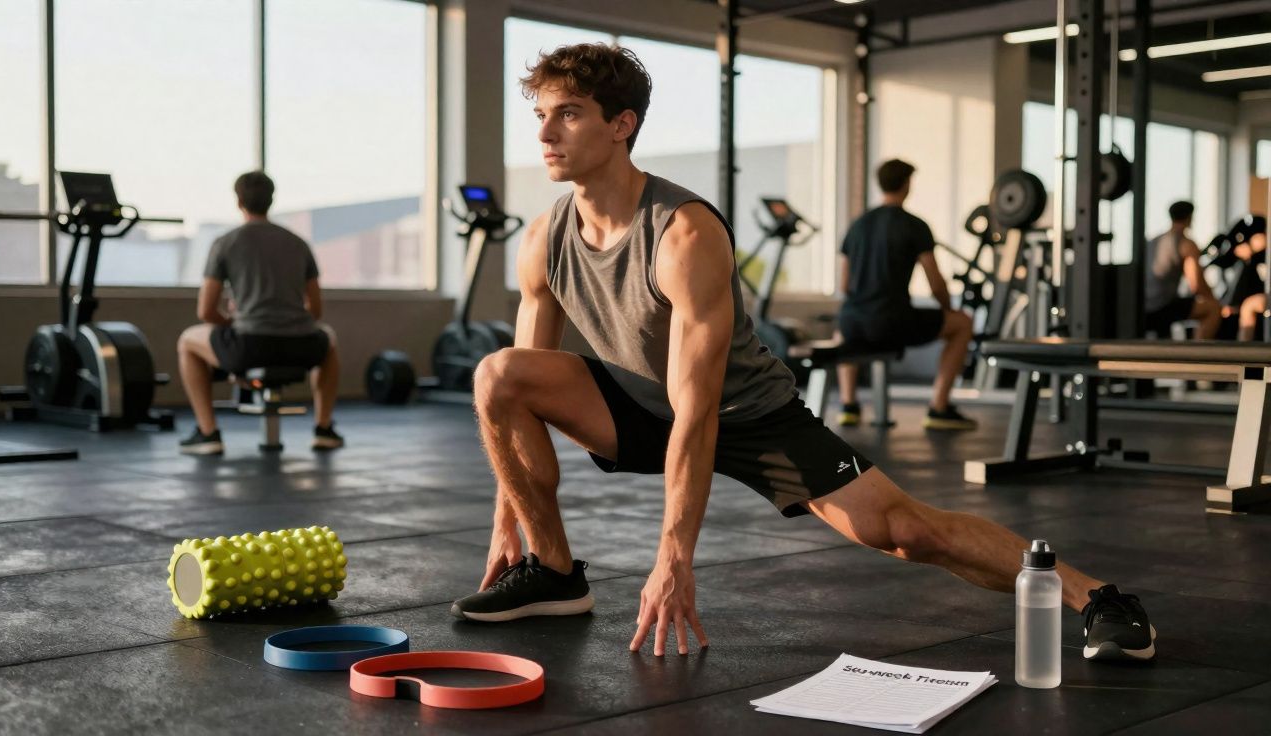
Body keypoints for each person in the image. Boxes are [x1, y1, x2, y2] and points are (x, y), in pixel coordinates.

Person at [450, 42, 1155, 664]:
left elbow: (698, 410)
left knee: (903, 531)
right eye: (540, 114)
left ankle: (1095, 596)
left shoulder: (683, 233)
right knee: (499, 373)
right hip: (636, 404)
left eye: (568, 113)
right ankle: (554, 573)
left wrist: (673, 559)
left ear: (621, 124)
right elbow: (519, 400)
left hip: (744, 413)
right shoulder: (545, 238)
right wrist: (510, 524)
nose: (544, 133)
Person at [176, 171, 343, 455]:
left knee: (187, 341)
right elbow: (315, 311)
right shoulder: (298, 243)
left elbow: (205, 311)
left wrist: (231, 322)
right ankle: (323, 429)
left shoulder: (226, 243)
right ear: (271, 200)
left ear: (239, 201)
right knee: (329, 338)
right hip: (302, 346)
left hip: (249, 346)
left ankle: (208, 433)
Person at [835, 160, 976, 430]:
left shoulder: (858, 225)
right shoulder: (914, 225)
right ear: (907, 184)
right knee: (963, 324)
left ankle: (848, 406)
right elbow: (936, 283)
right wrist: (948, 309)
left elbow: (844, 285)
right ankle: (939, 408)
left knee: (843, 329)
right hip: (892, 322)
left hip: (853, 322)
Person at [1143, 201, 1222, 340]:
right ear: (1190, 218)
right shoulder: (1186, 244)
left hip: (1143, 306)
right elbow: (1197, 285)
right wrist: (1215, 300)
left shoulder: (1152, 241)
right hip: (1160, 307)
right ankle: (1199, 352)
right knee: (1213, 308)